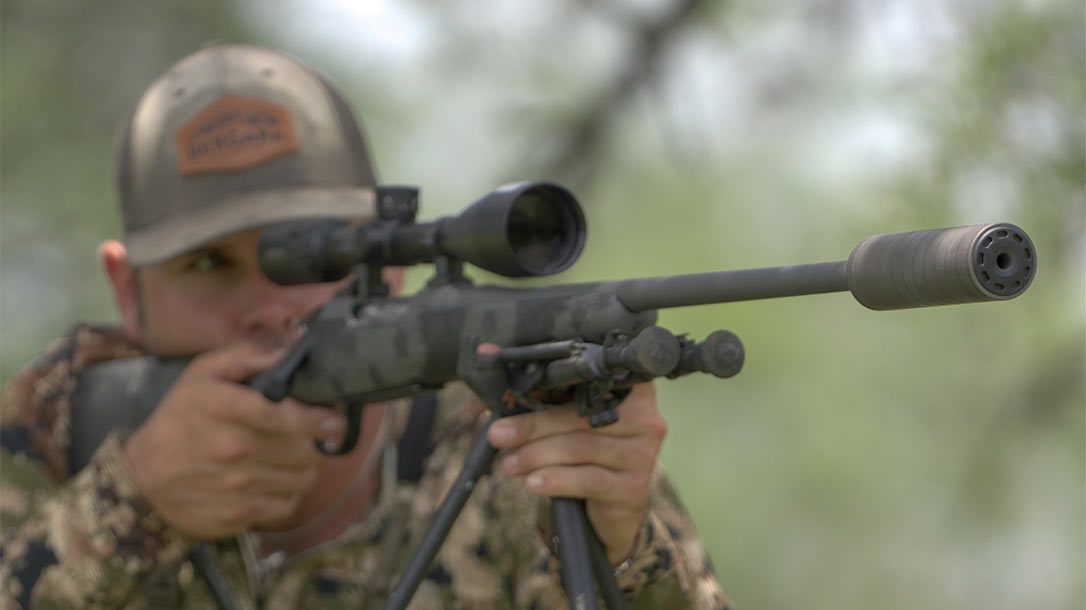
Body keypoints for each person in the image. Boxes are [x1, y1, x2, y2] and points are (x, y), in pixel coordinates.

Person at [0, 43, 732, 609]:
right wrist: (131, 508)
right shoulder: (54, 427)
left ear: (388, 265)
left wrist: (627, 551)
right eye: (208, 266)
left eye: (312, 255)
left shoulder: (513, 434)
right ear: (127, 290)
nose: (271, 307)